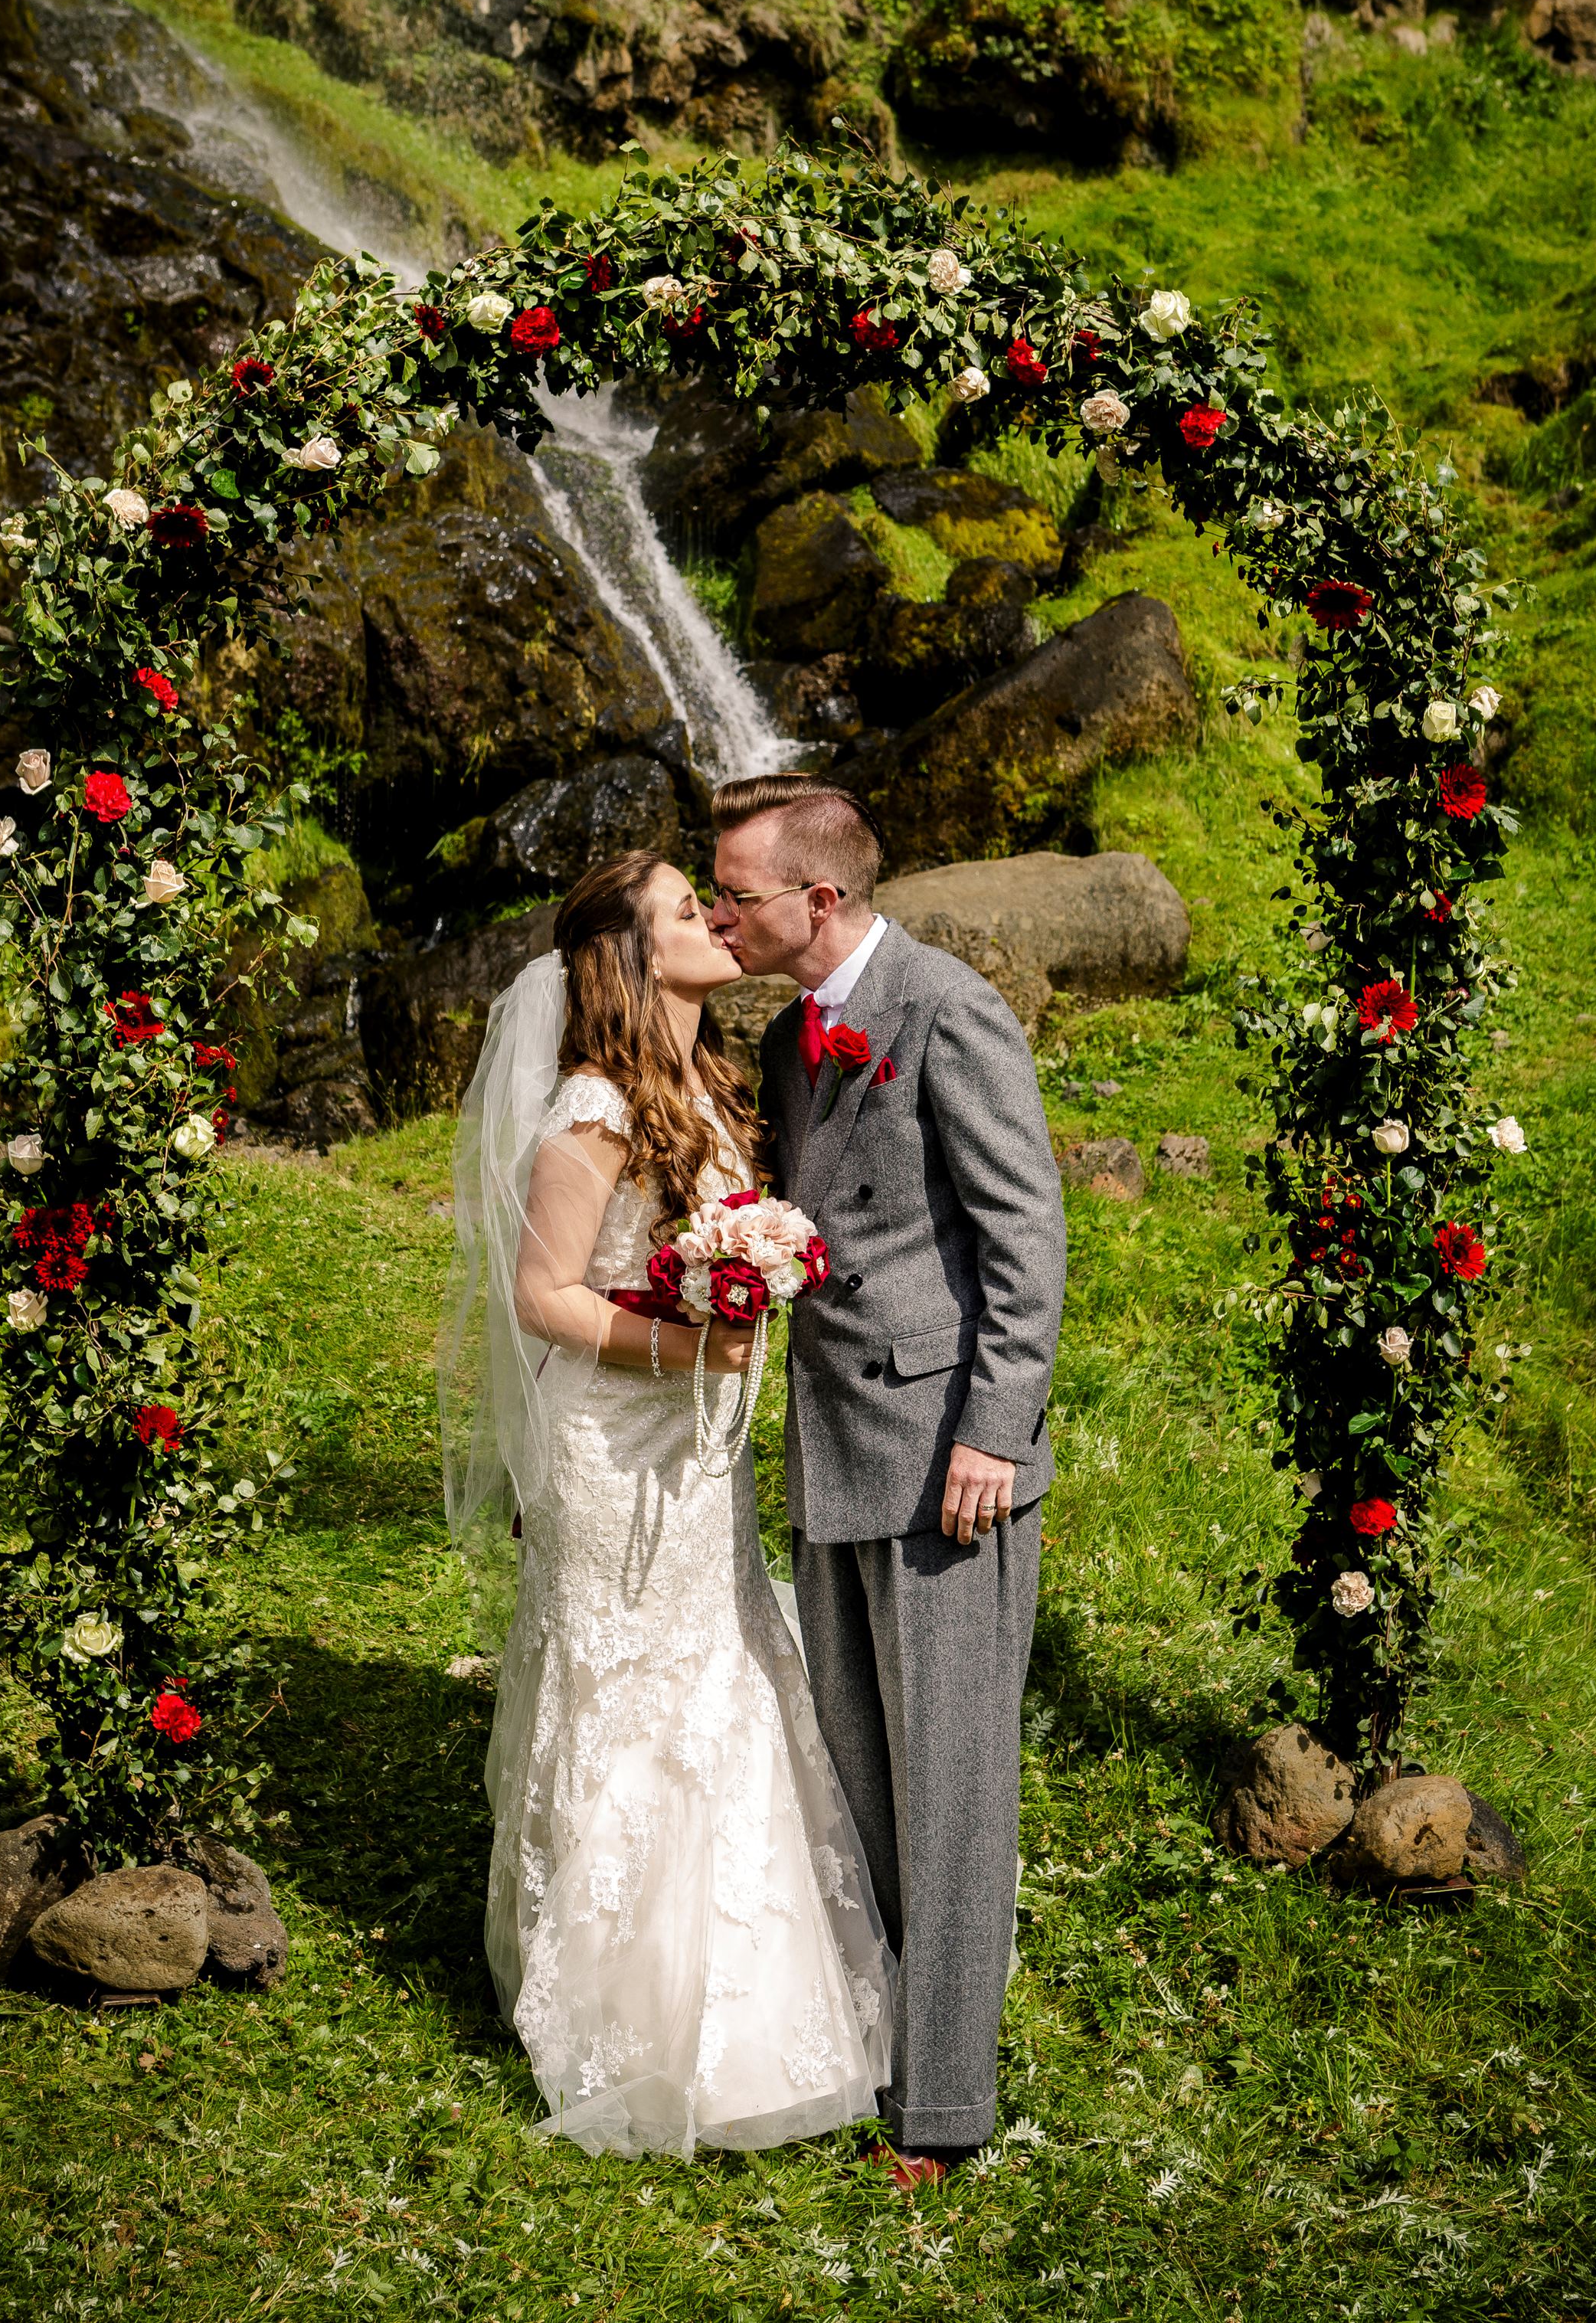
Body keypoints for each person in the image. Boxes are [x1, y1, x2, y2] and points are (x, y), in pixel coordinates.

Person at [440, 849, 895, 2161]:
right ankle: (622, 2015)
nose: (717, 919)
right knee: (630, 1689)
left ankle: (750, 1996)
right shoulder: (594, 1104)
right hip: (616, 1445)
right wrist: (686, 1347)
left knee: (720, 1671)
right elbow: (543, 1295)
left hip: (699, 1453)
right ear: (632, 957)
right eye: (689, 910)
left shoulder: (709, 1082)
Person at [708, 771, 1066, 2181]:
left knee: (951, 1791)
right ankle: (875, 2041)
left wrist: (995, 1431)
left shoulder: (947, 1009)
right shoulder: (789, 1038)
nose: (719, 915)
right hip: (835, 1443)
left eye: (734, 894)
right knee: (862, 1767)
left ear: (817, 898)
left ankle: (943, 2110)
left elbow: (1024, 1238)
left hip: (946, 1463)